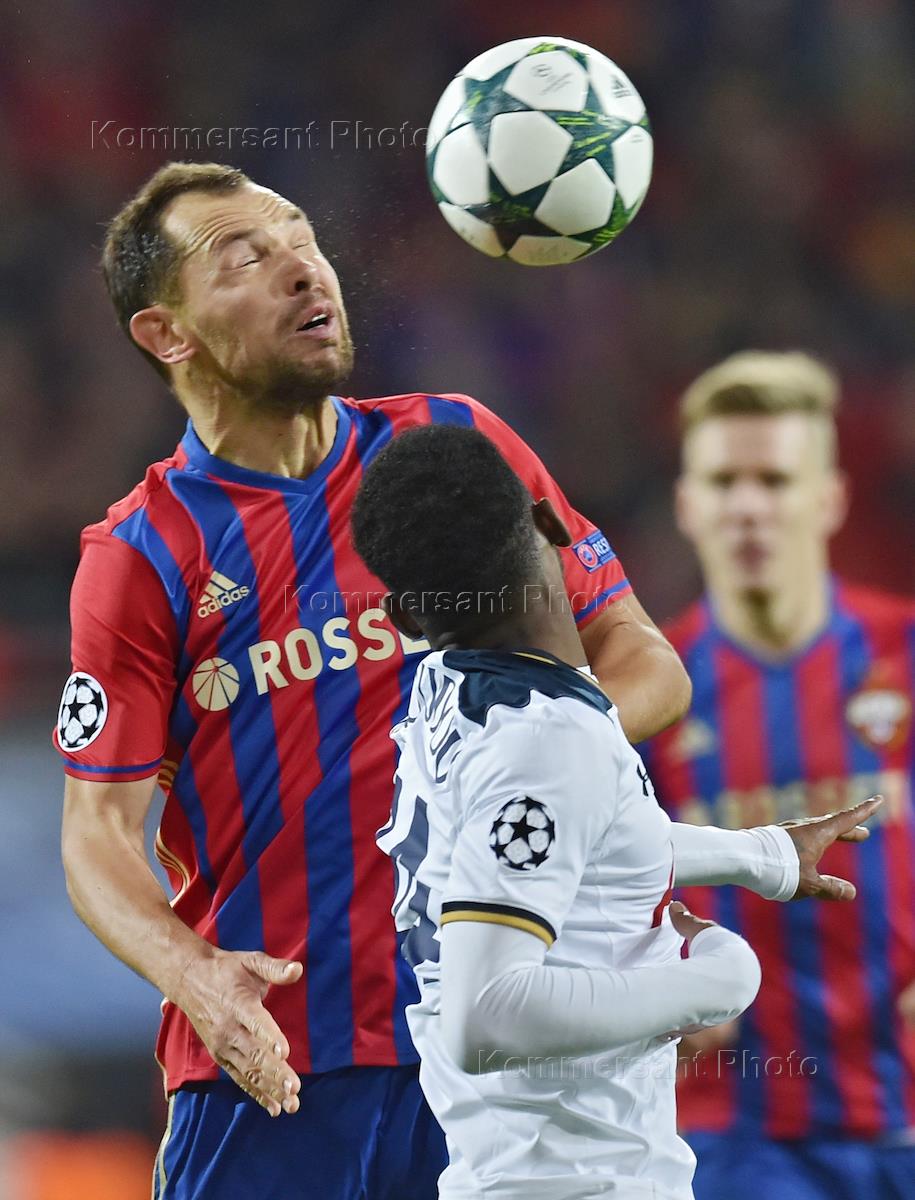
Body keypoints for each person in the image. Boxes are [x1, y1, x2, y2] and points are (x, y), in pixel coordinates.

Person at [56, 160, 692, 1200]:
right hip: (275, 1066)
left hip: (505, 1048)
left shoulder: (453, 445)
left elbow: (640, 657)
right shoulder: (143, 554)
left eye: (302, 239)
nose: (303, 269)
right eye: (245, 258)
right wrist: (194, 976)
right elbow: (96, 835)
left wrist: (528, 758)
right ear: (167, 333)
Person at [350, 420, 882, 1200]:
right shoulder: (549, 740)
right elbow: (485, 1016)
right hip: (581, 1182)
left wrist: (759, 855)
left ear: (402, 619)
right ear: (551, 521)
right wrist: (719, 980)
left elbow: (576, 839)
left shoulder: (447, 693)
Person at [644, 350, 915, 1199]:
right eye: (724, 482)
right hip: (735, 1132)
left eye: (774, 480)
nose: (748, 506)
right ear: (687, 505)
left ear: (829, 498)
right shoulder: (649, 697)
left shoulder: (905, 654)